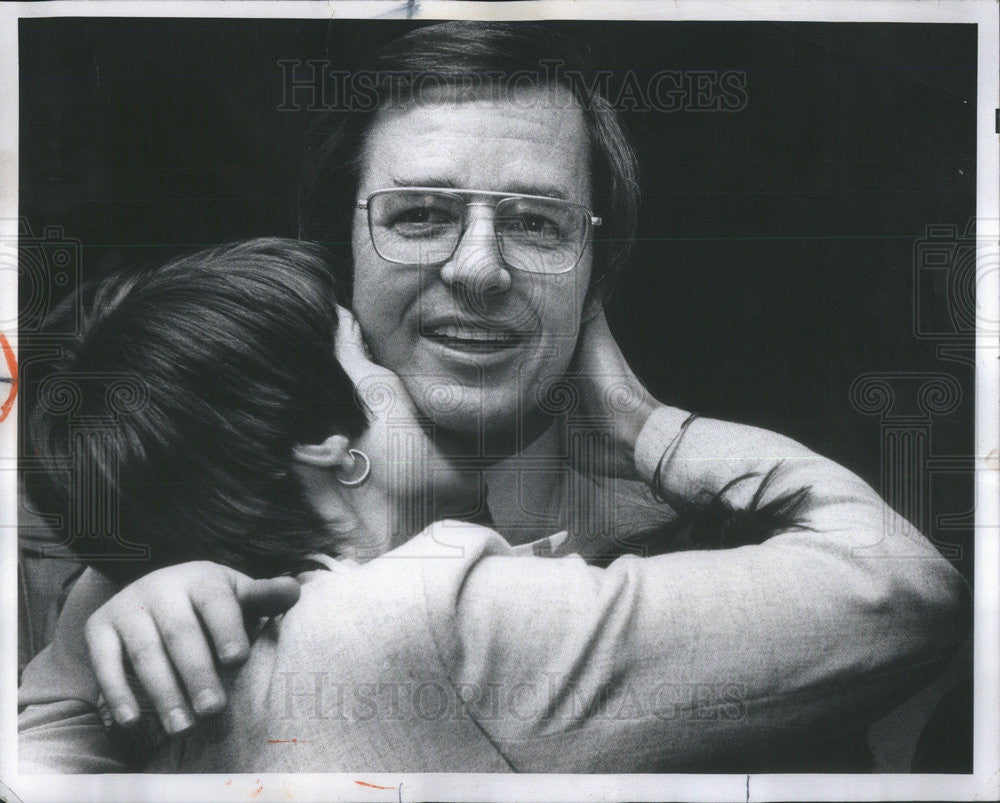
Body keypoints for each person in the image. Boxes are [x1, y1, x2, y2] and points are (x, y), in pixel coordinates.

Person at [18, 21, 969, 772]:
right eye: (420, 214)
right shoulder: (152, 567)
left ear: (596, 271)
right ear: (338, 259)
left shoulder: (712, 535)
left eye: (538, 224)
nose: (478, 268)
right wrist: (132, 590)